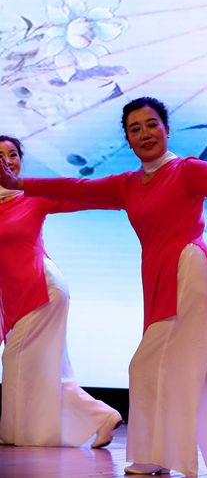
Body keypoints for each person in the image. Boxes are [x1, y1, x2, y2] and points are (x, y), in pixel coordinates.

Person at [0, 98, 207, 478]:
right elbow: (77, 187)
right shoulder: (127, 185)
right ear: (128, 140)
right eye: (135, 129)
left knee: (147, 366)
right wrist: (20, 184)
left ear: (167, 130)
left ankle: (157, 455)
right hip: (158, 279)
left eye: (151, 125)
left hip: (187, 273)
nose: (145, 134)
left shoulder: (186, 170)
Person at [0, 134, 122, 449]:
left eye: (13, 154)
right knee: (45, 369)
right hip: (18, 295)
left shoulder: (31, 197)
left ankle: (21, 433)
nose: (7, 161)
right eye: (0, 156)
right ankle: (102, 417)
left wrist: (127, 195)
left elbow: (80, 196)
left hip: (44, 288)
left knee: (16, 359)